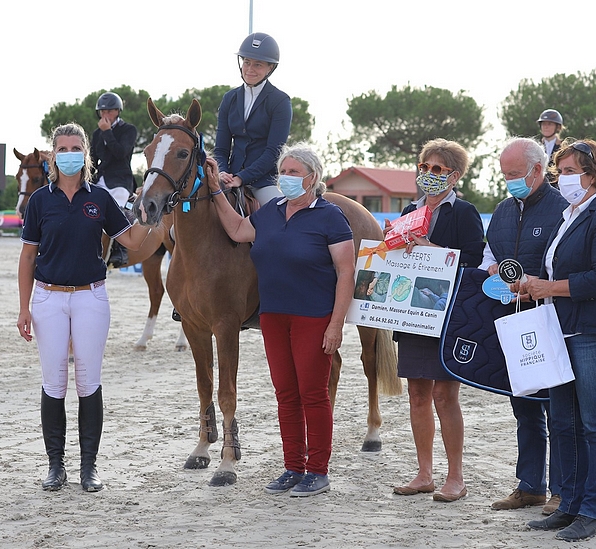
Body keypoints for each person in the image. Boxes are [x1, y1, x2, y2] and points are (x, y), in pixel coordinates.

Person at [204, 143, 355, 498]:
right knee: (286, 394)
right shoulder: (271, 211)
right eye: (282, 172)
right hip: (274, 317)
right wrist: (215, 190)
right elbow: (240, 231)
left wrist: (336, 325)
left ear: (312, 178)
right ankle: (293, 467)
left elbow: (346, 272)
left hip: (314, 317)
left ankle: (318, 470)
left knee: (313, 394)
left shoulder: (330, 216)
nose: (285, 178)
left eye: (293, 173)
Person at [17, 123, 161, 493]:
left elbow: (129, 239)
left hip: (90, 298)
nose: (68, 153)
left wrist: (148, 220)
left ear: (85, 154)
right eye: (61, 148)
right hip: (48, 298)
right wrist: (24, 308)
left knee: (88, 383)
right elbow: (28, 256)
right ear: (53, 155)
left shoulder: (99, 197)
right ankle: (55, 466)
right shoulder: (39, 201)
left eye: (75, 147)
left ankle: (88, 468)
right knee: (54, 383)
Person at [518, 139, 596, 541]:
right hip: (560, 330)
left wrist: (549, 286)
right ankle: (568, 504)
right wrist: (532, 286)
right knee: (563, 423)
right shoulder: (566, 217)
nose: (562, 178)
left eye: (570, 172)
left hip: (594, 333)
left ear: (593, 175)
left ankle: (594, 510)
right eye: (560, 171)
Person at [390, 139, 485, 502]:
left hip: (448, 316)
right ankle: (424, 473)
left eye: (437, 169)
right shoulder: (408, 210)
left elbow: (473, 263)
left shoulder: (464, 213)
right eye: (424, 167)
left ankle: (456, 477)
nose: (428, 174)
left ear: (454, 175)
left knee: (445, 395)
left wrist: (433, 251)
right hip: (411, 314)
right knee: (417, 394)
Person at [479, 138, 568, 515]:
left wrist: (538, 285)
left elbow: (569, 262)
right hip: (513, 320)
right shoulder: (501, 210)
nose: (509, 181)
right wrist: (491, 267)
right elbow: (489, 253)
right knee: (525, 405)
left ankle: (562, 490)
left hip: (553, 320)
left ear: (536, 170)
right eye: (504, 174)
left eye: (514, 174)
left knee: (559, 409)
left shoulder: (563, 207)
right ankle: (530, 485)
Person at [214, 32, 292, 206]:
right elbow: (220, 149)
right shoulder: (229, 98)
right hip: (227, 179)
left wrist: (243, 177)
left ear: (270, 68)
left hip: (262, 182)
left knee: (280, 214)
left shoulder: (280, 101)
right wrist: (223, 172)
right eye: (246, 62)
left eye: (258, 64)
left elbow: (273, 152)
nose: (250, 69)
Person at [91, 91, 139, 268]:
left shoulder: (128, 130)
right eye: (102, 112)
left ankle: (120, 249)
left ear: (118, 111)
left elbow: (120, 153)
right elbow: (93, 159)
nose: (105, 115)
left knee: (116, 207)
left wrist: (107, 132)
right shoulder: (97, 134)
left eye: (109, 111)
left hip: (121, 180)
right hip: (100, 179)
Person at [538, 109, 564, 186]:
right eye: (543, 124)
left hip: (558, 187)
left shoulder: (564, 147)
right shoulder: (536, 146)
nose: (546, 127)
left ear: (557, 127)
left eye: (549, 124)